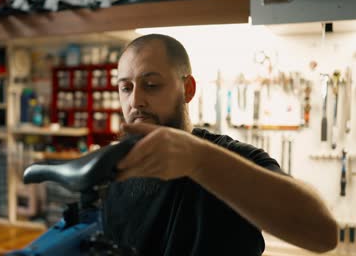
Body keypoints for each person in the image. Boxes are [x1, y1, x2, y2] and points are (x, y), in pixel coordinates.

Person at [101, 34, 338, 255]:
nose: (135, 101)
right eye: (126, 88)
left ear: (188, 89)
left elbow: (323, 234)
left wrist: (198, 160)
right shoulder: (112, 168)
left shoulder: (235, 157)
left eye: (151, 85)